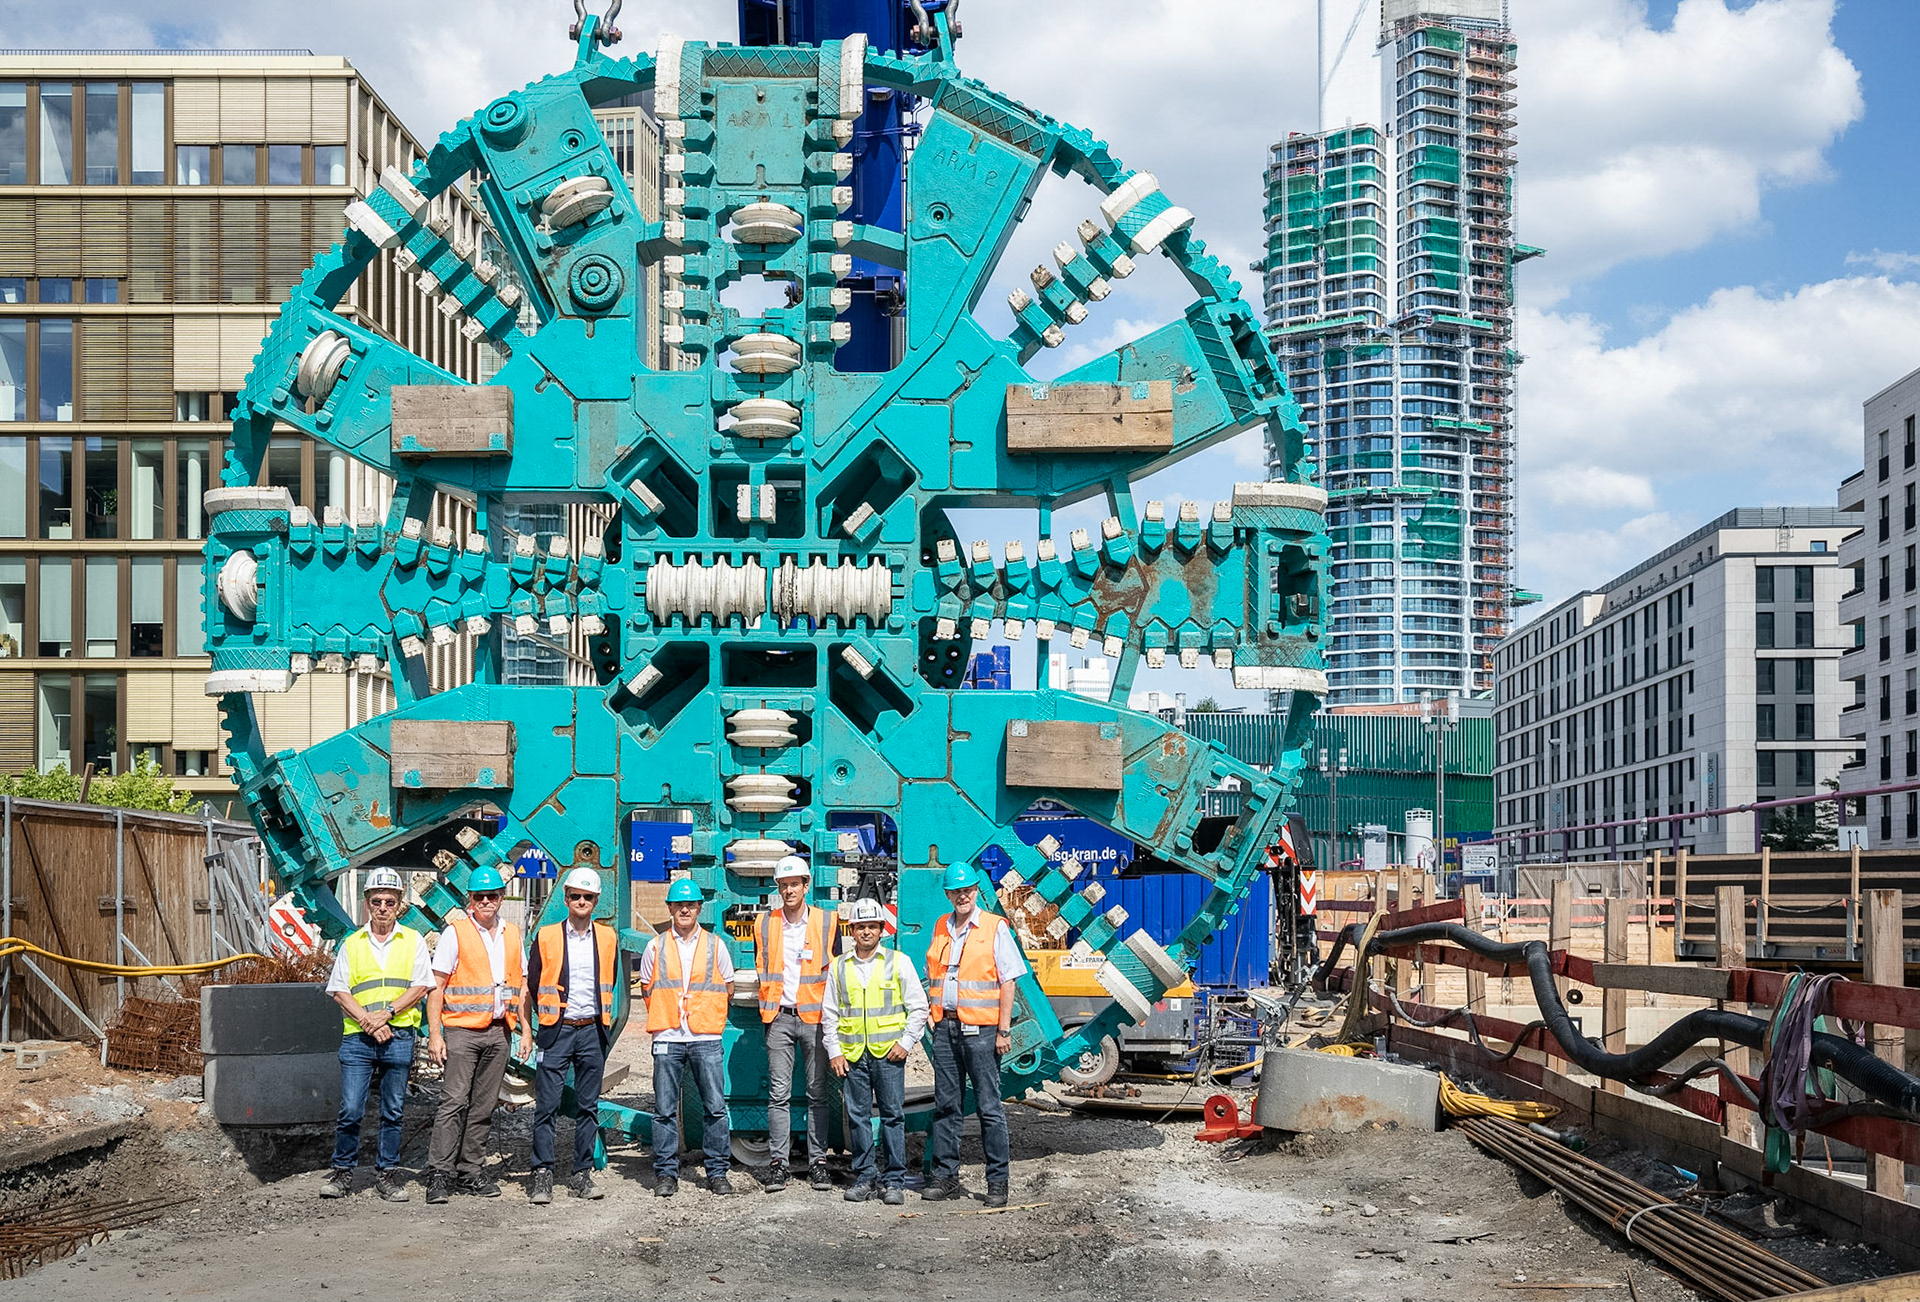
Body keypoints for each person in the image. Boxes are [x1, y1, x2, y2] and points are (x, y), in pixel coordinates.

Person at [322, 867, 433, 1202]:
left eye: (389, 901)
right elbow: (339, 991)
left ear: (399, 903)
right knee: (351, 1108)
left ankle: (387, 1174)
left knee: (393, 1109)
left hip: (398, 1035)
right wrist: (369, 1021)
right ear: (367, 903)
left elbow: (420, 986)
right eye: (376, 901)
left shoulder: (412, 941)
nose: (383, 907)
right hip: (358, 1038)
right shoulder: (351, 944)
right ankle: (343, 1173)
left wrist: (387, 1015)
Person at [922, 861, 1026, 1208]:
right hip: (946, 1027)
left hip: (981, 1032)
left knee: (989, 1108)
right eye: (956, 891)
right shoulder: (941, 926)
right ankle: (946, 1177)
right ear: (949, 894)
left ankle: (998, 1183)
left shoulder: (994, 928)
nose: (962, 896)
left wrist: (1004, 1030)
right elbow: (933, 974)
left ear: (976, 891)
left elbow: (1008, 980)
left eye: (967, 890)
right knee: (946, 1107)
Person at [423, 864, 520, 1204]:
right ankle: (438, 1173)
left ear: (501, 897)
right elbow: (436, 985)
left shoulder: (512, 933)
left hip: (498, 1031)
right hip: (462, 1030)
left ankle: (470, 1172)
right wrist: (436, 1036)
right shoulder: (456, 933)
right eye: (480, 896)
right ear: (470, 900)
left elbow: (514, 984)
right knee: (453, 1102)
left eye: (492, 895)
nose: (486, 901)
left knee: (483, 1106)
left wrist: (521, 1029)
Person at [521, 866, 617, 1205]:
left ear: (595, 901)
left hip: (592, 1030)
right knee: (546, 1106)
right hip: (556, 1031)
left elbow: (611, 979)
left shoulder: (608, 938)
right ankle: (542, 1173)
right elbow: (532, 984)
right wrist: (538, 1026)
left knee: (588, 1107)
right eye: (575, 895)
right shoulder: (546, 936)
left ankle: (581, 1174)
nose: (580, 901)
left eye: (587, 897)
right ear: (565, 898)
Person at [823, 897, 927, 1205]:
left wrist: (906, 1043)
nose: (866, 932)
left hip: (888, 1055)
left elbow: (919, 1007)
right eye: (860, 927)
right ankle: (865, 1177)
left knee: (893, 1116)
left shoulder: (898, 961)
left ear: (881, 929)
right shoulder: (839, 967)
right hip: (853, 1056)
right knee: (858, 1117)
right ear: (852, 930)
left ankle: (894, 1179)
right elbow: (829, 1013)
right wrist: (834, 1051)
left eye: (872, 926)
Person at [639, 877, 735, 1198]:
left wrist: (705, 1015)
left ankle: (717, 1172)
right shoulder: (654, 947)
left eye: (690, 904)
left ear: (698, 908)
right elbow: (647, 990)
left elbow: (728, 988)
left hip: (705, 1035)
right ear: (669, 908)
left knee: (715, 1108)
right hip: (667, 1034)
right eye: (678, 904)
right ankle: (666, 1174)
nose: (684, 909)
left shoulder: (716, 945)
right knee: (664, 1109)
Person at [754, 854, 839, 1192]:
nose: (789, 890)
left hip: (815, 1019)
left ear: (806, 886)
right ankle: (779, 1163)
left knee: (817, 1092)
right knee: (778, 1094)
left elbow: (836, 972)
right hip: (778, 1018)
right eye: (783, 885)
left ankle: (818, 1162)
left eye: (794, 884)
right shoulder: (765, 923)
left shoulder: (826, 922)